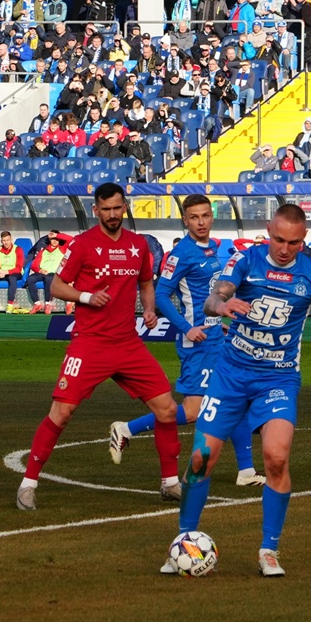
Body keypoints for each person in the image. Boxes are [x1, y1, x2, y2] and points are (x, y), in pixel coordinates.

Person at [164, 203, 311, 577]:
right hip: (231, 375)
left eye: (294, 242)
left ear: (304, 240)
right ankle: (184, 542)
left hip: (279, 379)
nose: (285, 249)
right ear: (268, 229)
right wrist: (223, 305)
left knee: (276, 457)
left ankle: (269, 550)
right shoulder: (246, 261)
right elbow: (212, 297)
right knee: (201, 460)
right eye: (279, 239)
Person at [17, 182, 181, 511]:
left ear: (125, 207)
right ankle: (28, 483)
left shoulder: (138, 246)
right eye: (105, 209)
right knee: (61, 413)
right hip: (89, 344)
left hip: (128, 344)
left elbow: (146, 282)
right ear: (96, 210)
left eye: (117, 208)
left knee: (167, 410)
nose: (112, 215)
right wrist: (87, 297)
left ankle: (171, 483)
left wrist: (149, 309)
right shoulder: (82, 245)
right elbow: (57, 286)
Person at [109, 195, 265, 487]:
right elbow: (160, 296)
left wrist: (221, 323)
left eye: (205, 215)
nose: (201, 222)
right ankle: (127, 429)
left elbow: (210, 295)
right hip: (197, 343)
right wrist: (186, 328)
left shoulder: (215, 249)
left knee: (236, 399)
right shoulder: (182, 253)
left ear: (212, 216)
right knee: (193, 412)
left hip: (216, 337)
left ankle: (246, 471)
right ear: (185, 220)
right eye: (194, 217)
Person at [26, 234, 66, 314]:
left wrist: (58, 234)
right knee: (30, 279)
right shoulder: (43, 251)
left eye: (57, 239)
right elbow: (34, 265)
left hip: (54, 273)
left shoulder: (62, 249)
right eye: (53, 239)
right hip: (42, 272)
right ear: (49, 240)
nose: (55, 241)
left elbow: (70, 240)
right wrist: (40, 270)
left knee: (49, 279)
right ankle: (37, 303)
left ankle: (48, 303)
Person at [0, 230, 24, 313]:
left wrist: (6, 272)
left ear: (11, 240)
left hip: (14, 273)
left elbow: (19, 267)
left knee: (12, 278)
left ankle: (10, 305)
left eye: (8, 240)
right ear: (1, 241)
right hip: (1, 272)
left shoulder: (18, 249)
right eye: (4, 240)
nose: (6, 243)